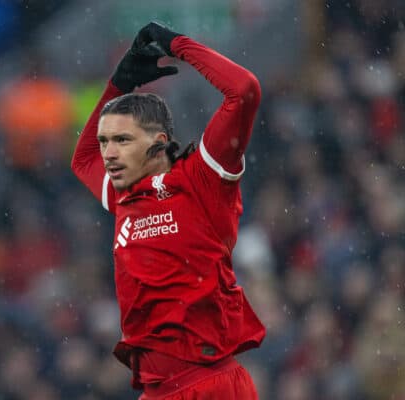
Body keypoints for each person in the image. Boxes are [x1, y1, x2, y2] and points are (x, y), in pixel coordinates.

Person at [71, 21, 266, 399]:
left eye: (123, 140)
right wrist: (120, 82)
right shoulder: (123, 195)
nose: (109, 153)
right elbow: (83, 159)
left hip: (210, 385)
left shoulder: (204, 179)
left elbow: (243, 90)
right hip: (157, 392)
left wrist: (176, 45)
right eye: (106, 141)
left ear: (159, 143)